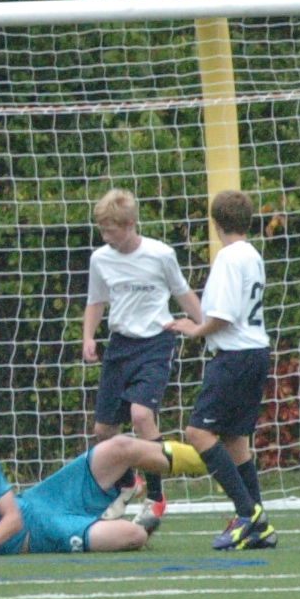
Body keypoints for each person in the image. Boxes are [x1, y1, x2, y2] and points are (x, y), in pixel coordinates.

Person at [165, 188, 276, 550]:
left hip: (235, 356)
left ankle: (247, 514)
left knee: (197, 432)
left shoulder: (229, 257)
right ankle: (259, 524)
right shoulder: (252, 255)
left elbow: (224, 315)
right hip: (255, 352)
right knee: (235, 441)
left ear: (215, 223)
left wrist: (195, 329)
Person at [81, 189, 201, 518]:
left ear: (130, 224)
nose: (106, 237)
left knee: (141, 415)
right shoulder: (100, 259)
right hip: (120, 345)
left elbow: (182, 292)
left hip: (155, 343)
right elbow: (95, 301)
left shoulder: (160, 254)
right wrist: (88, 336)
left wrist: (205, 327)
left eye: (111, 231)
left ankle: (156, 496)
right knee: (104, 430)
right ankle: (127, 483)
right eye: (102, 230)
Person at [0, 426, 189, 558]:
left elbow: (12, 518)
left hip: (43, 498)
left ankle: (203, 457)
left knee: (120, 446)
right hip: (44, 534)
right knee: (133, 535)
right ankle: (110, 508)